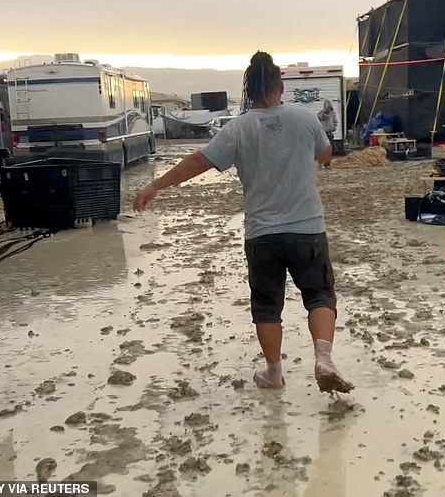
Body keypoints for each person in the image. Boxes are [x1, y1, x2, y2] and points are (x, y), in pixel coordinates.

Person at [133, 51, 353, 394]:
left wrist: (154, 185)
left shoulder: (238, 128)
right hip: (308, 229)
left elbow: (196, 162)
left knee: (267, 307)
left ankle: (274, 373)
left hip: (262, 234)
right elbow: (325, 155)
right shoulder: (306, 119)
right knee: (320, 295)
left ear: (248, 92)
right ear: (280, 85)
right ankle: (323, 358)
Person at [317, 100, 338, 167]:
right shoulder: (320, 114)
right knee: (322, 149)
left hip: (330, 133)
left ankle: (327, 163)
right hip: (323, 133)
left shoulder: (333, 113)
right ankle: (320, 162)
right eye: (326, 107)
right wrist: (324, 114)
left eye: (329, 107)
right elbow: (318, 118)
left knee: (331, 149)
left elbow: (335, 121)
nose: (328, 109)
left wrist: (334, 127)